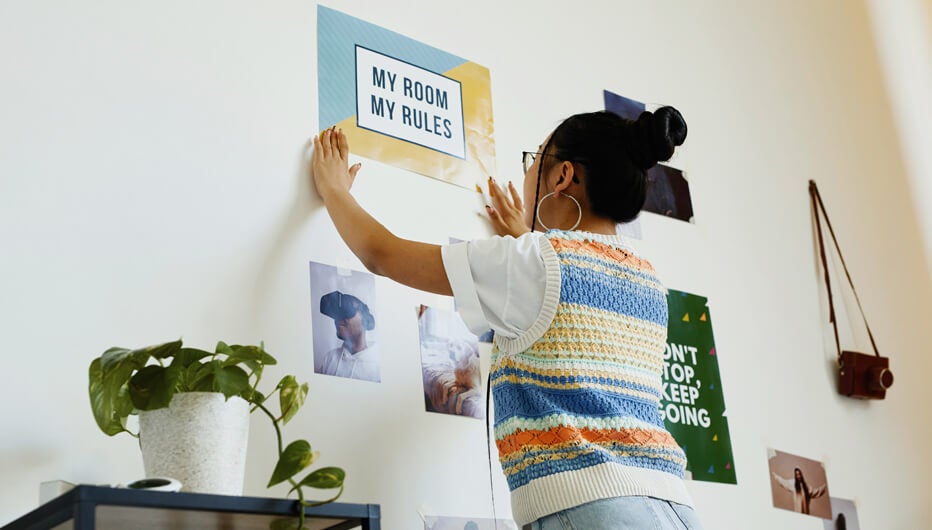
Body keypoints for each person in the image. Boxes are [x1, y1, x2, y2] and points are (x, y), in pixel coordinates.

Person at [310, 106, 702, 529]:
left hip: (594, 510)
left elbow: (382, 254)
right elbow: (569, 322)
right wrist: (525, 237)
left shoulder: (534, 261)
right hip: (675, 507)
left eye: (534, 159)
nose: (527, 173)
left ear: (563, 176)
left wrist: (335, 191)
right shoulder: (647, 280)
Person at [315, 290, 380, 382]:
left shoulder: (378, 363)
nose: (338, 318)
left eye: (348, 312)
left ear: (364, 319)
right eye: (336, 314)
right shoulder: (330, 358)